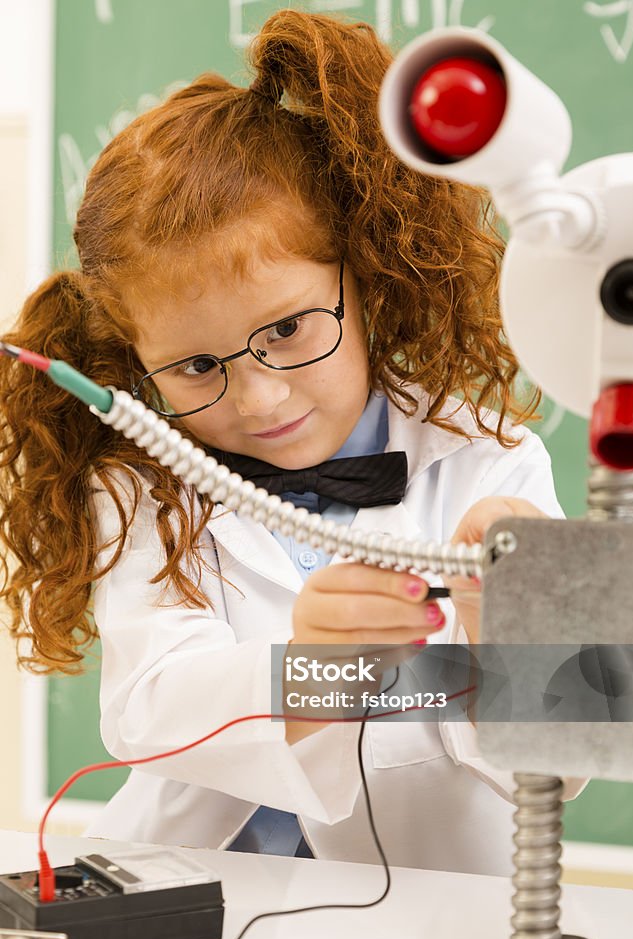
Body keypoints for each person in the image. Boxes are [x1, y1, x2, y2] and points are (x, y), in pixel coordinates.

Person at [0, 10, 582, 875]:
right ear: (137, 362)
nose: (259, 395)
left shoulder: (490, 462)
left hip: (438, 915)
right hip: (192, 904)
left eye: (289, 328)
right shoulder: (142, 484)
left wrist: (516, 643)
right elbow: (149, 710)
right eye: (197, 365)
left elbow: (565, 758)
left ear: (366, 278)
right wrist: (305, 675)